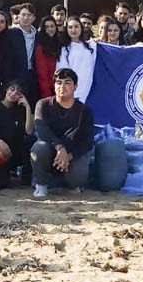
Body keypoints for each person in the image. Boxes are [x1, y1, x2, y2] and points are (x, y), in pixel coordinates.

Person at [32, 68, 96, 198]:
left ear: (75, 86)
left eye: (67, 83)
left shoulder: (84, 110)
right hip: (51, 149)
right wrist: (60, 148)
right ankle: (41, 185)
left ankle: (71, 183)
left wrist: (68, 156)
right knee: (39, 148)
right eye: (59, 83)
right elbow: (42, 130)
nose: (62, 86)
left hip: (73, 153)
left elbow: (87, 141)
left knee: (77, 179)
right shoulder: (43, 104)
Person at [0, 80, 35, 189]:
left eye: (18, 92)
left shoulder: (20, 111)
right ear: (6, 90)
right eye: (12, 89)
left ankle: (25, 175)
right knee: (1, 185)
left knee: (29, 141)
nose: (14, 93)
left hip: (14, 152)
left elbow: (29, 131)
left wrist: (27, 108)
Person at [56, 17, 96, 102]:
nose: (73, 30)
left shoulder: (90, 47)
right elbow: (62, 72)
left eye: (76, 27)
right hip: (73, 91)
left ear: (81, 28)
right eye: (70, 27)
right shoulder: (64, 50)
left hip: (89, 89)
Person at [4, 2, 38, 98]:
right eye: (23, 14)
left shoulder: (37, 35)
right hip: (14, 75)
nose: (26, 18)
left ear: (33, 18)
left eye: (29, 15)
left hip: (31, 75)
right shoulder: (11, 34)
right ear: (18, 16)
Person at [34, 16, 61, 99]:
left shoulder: (59, 43)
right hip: (48, 90)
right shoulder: (40, 47)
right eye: (47, 27)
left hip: (59, 86)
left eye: (52, 26)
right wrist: (47, 96)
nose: (50, 29)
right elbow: (42, 74)